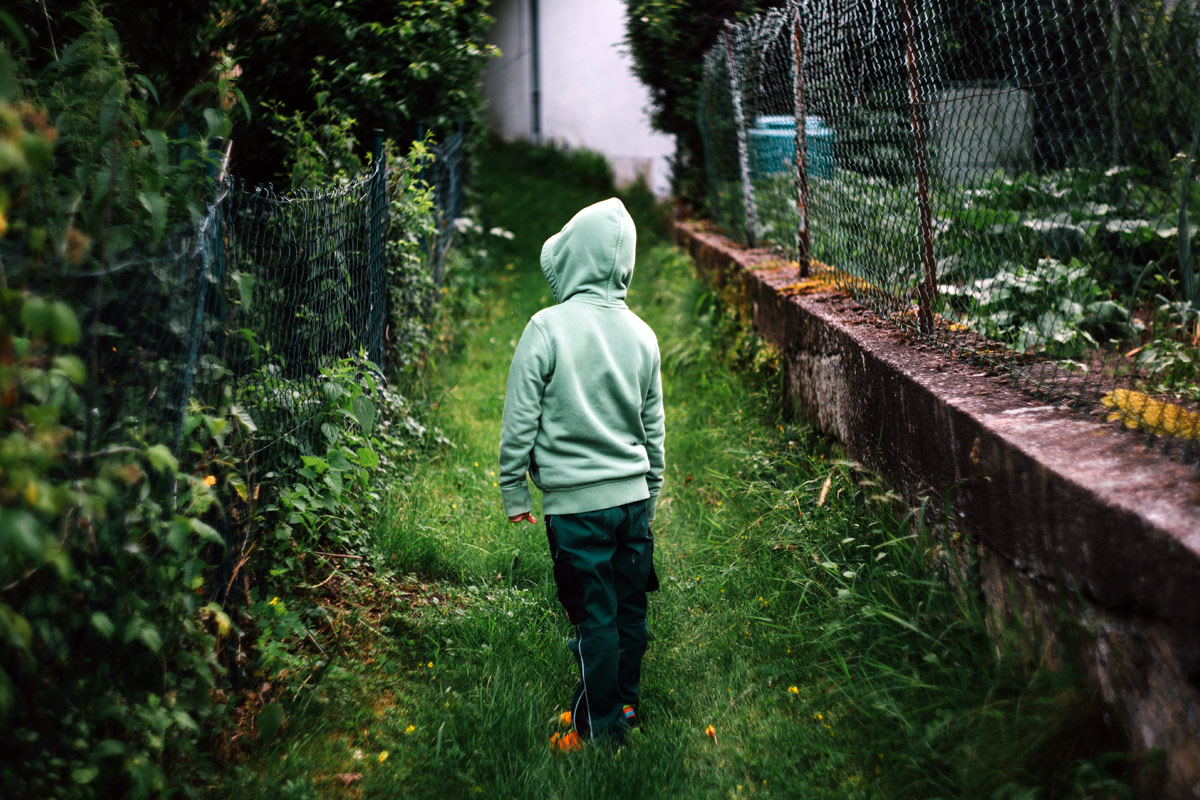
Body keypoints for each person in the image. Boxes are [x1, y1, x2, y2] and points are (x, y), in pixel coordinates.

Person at [498, 196, 665, 749]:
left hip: (574, 509)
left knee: (594, 614)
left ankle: (602, 727)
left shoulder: (546, 328)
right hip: (632, 502)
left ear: (572, 258)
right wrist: (652, 491)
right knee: (629, 608)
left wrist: (513, 485)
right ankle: (627, 702)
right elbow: (653, 428)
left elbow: (520, 415)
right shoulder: (643, 336)